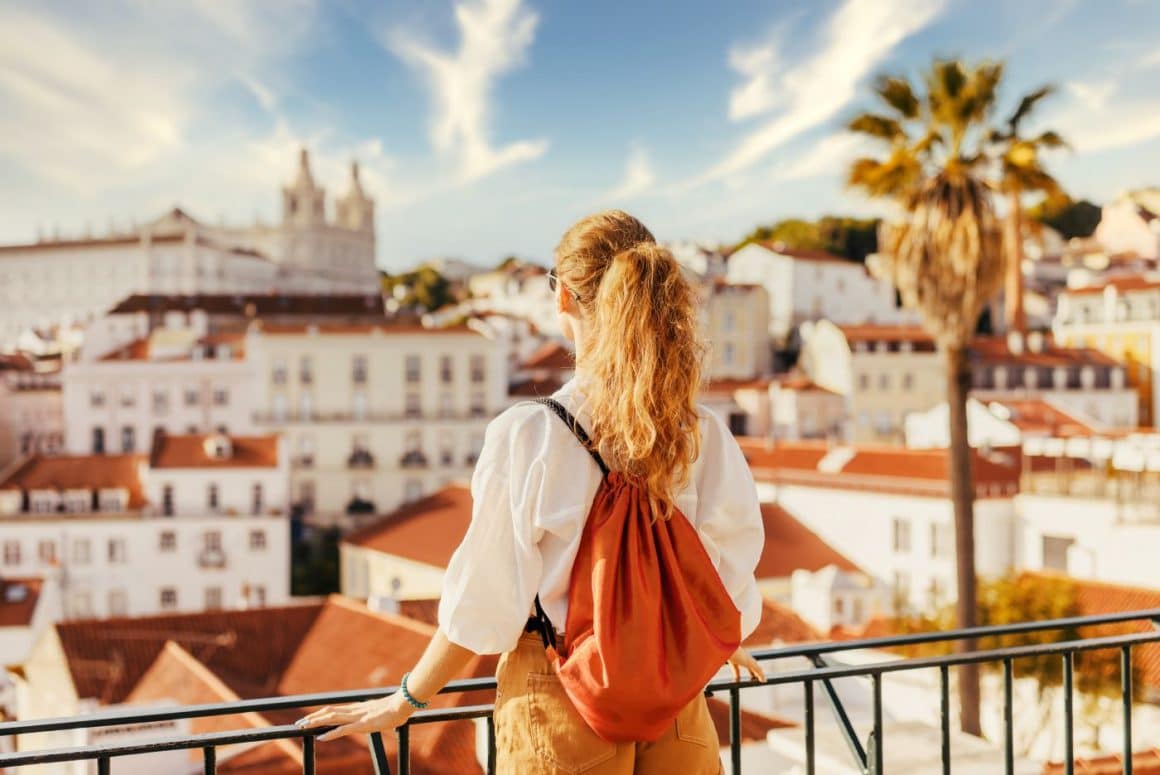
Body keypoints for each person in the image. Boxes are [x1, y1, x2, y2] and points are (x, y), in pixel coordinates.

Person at [298, 210, 766, 773]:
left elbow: (488, 598)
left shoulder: (533, 434)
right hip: (676, 701)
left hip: (561, 694)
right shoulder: (703, 432)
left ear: (563, 297)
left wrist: (409, 698)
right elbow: (729, 570)